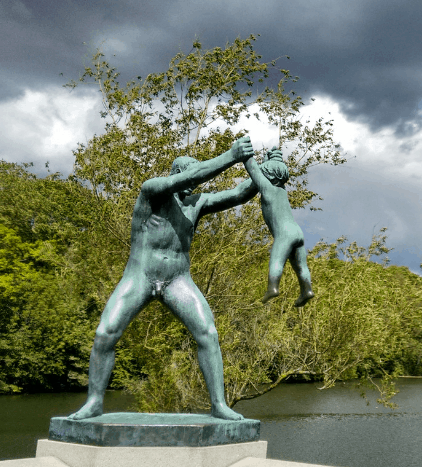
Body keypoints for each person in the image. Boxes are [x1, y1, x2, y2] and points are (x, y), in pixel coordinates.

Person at [69, 136, 282, 420]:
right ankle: (94, 401)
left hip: (177, 280)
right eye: (187, 175)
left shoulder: (196, 203)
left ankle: (219, 404)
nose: (193, 182)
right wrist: (232, 155)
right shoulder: (152, 191)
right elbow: (196, 174)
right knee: (105, 333)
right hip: (140, 276)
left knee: (208, 334)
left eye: (195, 177)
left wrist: (267, 169)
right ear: (174, 175)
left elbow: (239, 193)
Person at [243, 146, 314, 308]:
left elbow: (253, 170)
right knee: (301, 266)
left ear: (266, 175)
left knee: (276, 260)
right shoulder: (282, 191)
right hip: (297, 232)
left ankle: (272, 288)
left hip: (284, 233)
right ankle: (307, 290)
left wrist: (246, 156)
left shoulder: (267, 189)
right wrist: (272, 159)